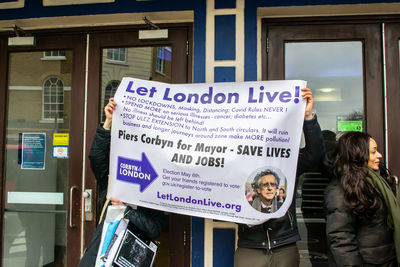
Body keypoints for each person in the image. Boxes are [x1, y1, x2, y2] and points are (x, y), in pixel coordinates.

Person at [234, 88, 325, 267]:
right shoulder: (237, 161)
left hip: (284, 245)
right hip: (250, 246)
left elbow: (315, 156)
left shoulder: (285, 159)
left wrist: (308, 116)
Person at [79, 97, 164, 266]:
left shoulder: (153, 188)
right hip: (99, 254)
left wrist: (125, 210)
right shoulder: (112, 182)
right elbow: (97, 157)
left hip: (128, 258)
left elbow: (155, 228)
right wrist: (108, 122)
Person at [325, 131, 400, 266]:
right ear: (358, 155)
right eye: (373, 152)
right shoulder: (340, 190)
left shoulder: (378, 181)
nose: (379, 156)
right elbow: (341, 240)